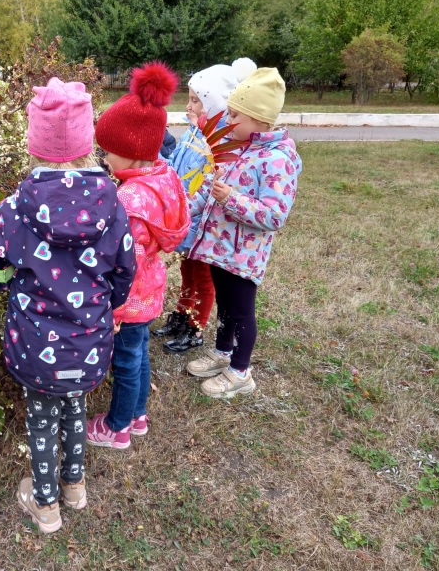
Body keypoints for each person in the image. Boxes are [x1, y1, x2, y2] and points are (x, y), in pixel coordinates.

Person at [0, 77, 137, 533]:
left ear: (35, 142)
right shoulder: (112, 204)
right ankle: (75, 485)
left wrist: (5, 285)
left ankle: (45, 503)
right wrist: (106, 306)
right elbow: (125, 271)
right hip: (89, 338)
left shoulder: (14, 207)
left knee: (41, 413)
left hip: (35, 339)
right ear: (88, 142)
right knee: (74, 401)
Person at [85, 62, 190, 449]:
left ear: (131, 150)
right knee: (139, 352)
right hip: (152, 285)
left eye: (108, 150)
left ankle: (117, 427)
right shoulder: (165, 176)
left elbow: (118, 261)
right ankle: (138, 414)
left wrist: (110, 309)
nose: (105, 158)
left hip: (128, 295)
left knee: (125, 359)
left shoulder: (129, 201)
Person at [184, 67, 302, 398]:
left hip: (243, 256)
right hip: (220, 249)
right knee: (225, 304)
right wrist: (184, 208)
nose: (229, 120)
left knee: (241, 312)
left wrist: (231, 200)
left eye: (235, 114)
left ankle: (240, 372)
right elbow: (210, 187)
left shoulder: (276, 160)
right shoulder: (240, 148)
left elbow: (275, 215)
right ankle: (223, 353)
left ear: (259, 119)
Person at [156, 58, 257, 355]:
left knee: (203, 277)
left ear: (213, 105)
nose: (188, 106)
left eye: (195, 101)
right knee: (187, 270)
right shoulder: (192, 133)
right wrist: (156, 162)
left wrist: (187, 208)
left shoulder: (219, 144)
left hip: (202, 222)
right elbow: (175, 167)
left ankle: (196, 327)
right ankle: (182, 315)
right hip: (185, 217)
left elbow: (212, 185)